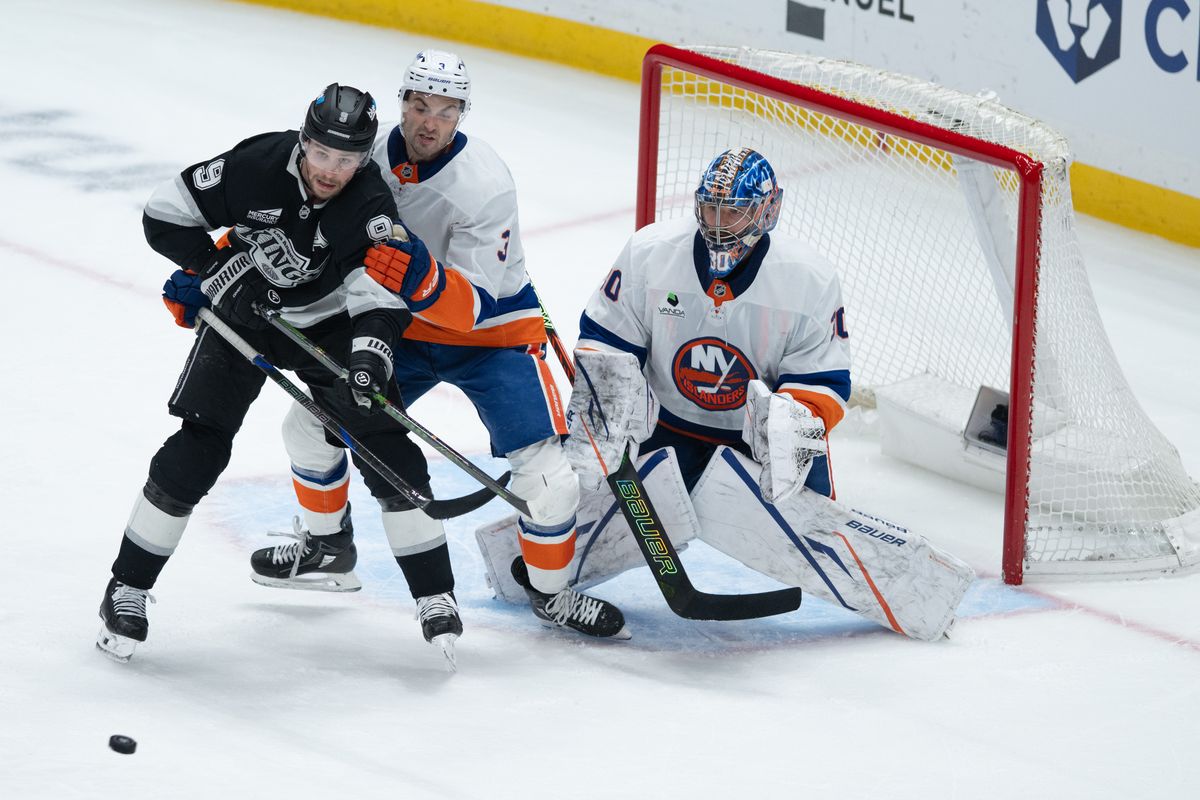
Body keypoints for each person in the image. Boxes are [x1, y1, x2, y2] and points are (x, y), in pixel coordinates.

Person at [476, 148, 974, 641]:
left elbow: (824, 384)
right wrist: (613, 409)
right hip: (667, 426)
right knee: (585, 481)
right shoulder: (652, 252)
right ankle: (536, 573)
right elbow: (607, 339)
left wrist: (787, 429)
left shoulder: (808, 279)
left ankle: (917, 594)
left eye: (733, 210)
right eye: (711, 207)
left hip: (752, 438)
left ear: (767, 209)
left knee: (811, 527)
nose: (718, 222)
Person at [248, 50, 628, 640]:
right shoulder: (364, 154)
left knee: (549, 480)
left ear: (462, 115)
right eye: (420, 106)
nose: (430, 122)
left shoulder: (486, 184)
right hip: (394, 325)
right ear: (403, 102)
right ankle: (326, 546)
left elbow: (472, 305)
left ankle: (552, 593)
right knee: (306, 426)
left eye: (446, 111)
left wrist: (420, 278)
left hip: (490, 335)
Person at [96, 83, 463, 663]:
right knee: (199, 447)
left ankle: (435, 597)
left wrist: (368, 357)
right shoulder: (254, 166)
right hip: (245, 319)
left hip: (328, 324)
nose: (331, 170)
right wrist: (219, 269)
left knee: (387, 446)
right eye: (321, 153)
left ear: (364, 159)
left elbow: (380, 297)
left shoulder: (369, 204)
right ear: (303, 140)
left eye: (346, 160)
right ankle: (128, 588)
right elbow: (163, 214)